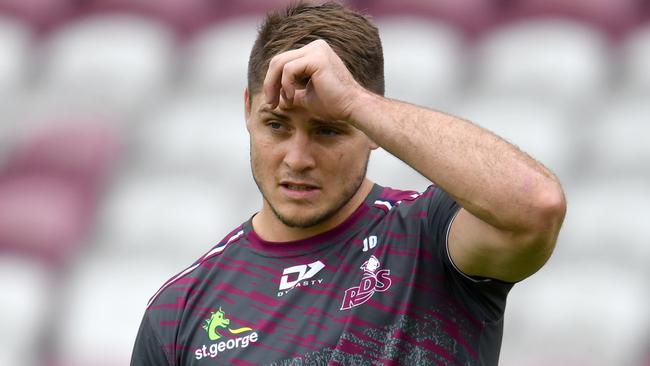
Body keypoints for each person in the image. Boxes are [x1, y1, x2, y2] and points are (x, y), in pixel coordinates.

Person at [131, 2, 566, 365]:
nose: (297, 159)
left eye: (328, 130)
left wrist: (357, 101)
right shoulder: (180, 309)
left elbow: (535, 206)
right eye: (277, 125)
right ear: (247, 109)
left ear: (372, 126)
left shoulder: (428, 236)